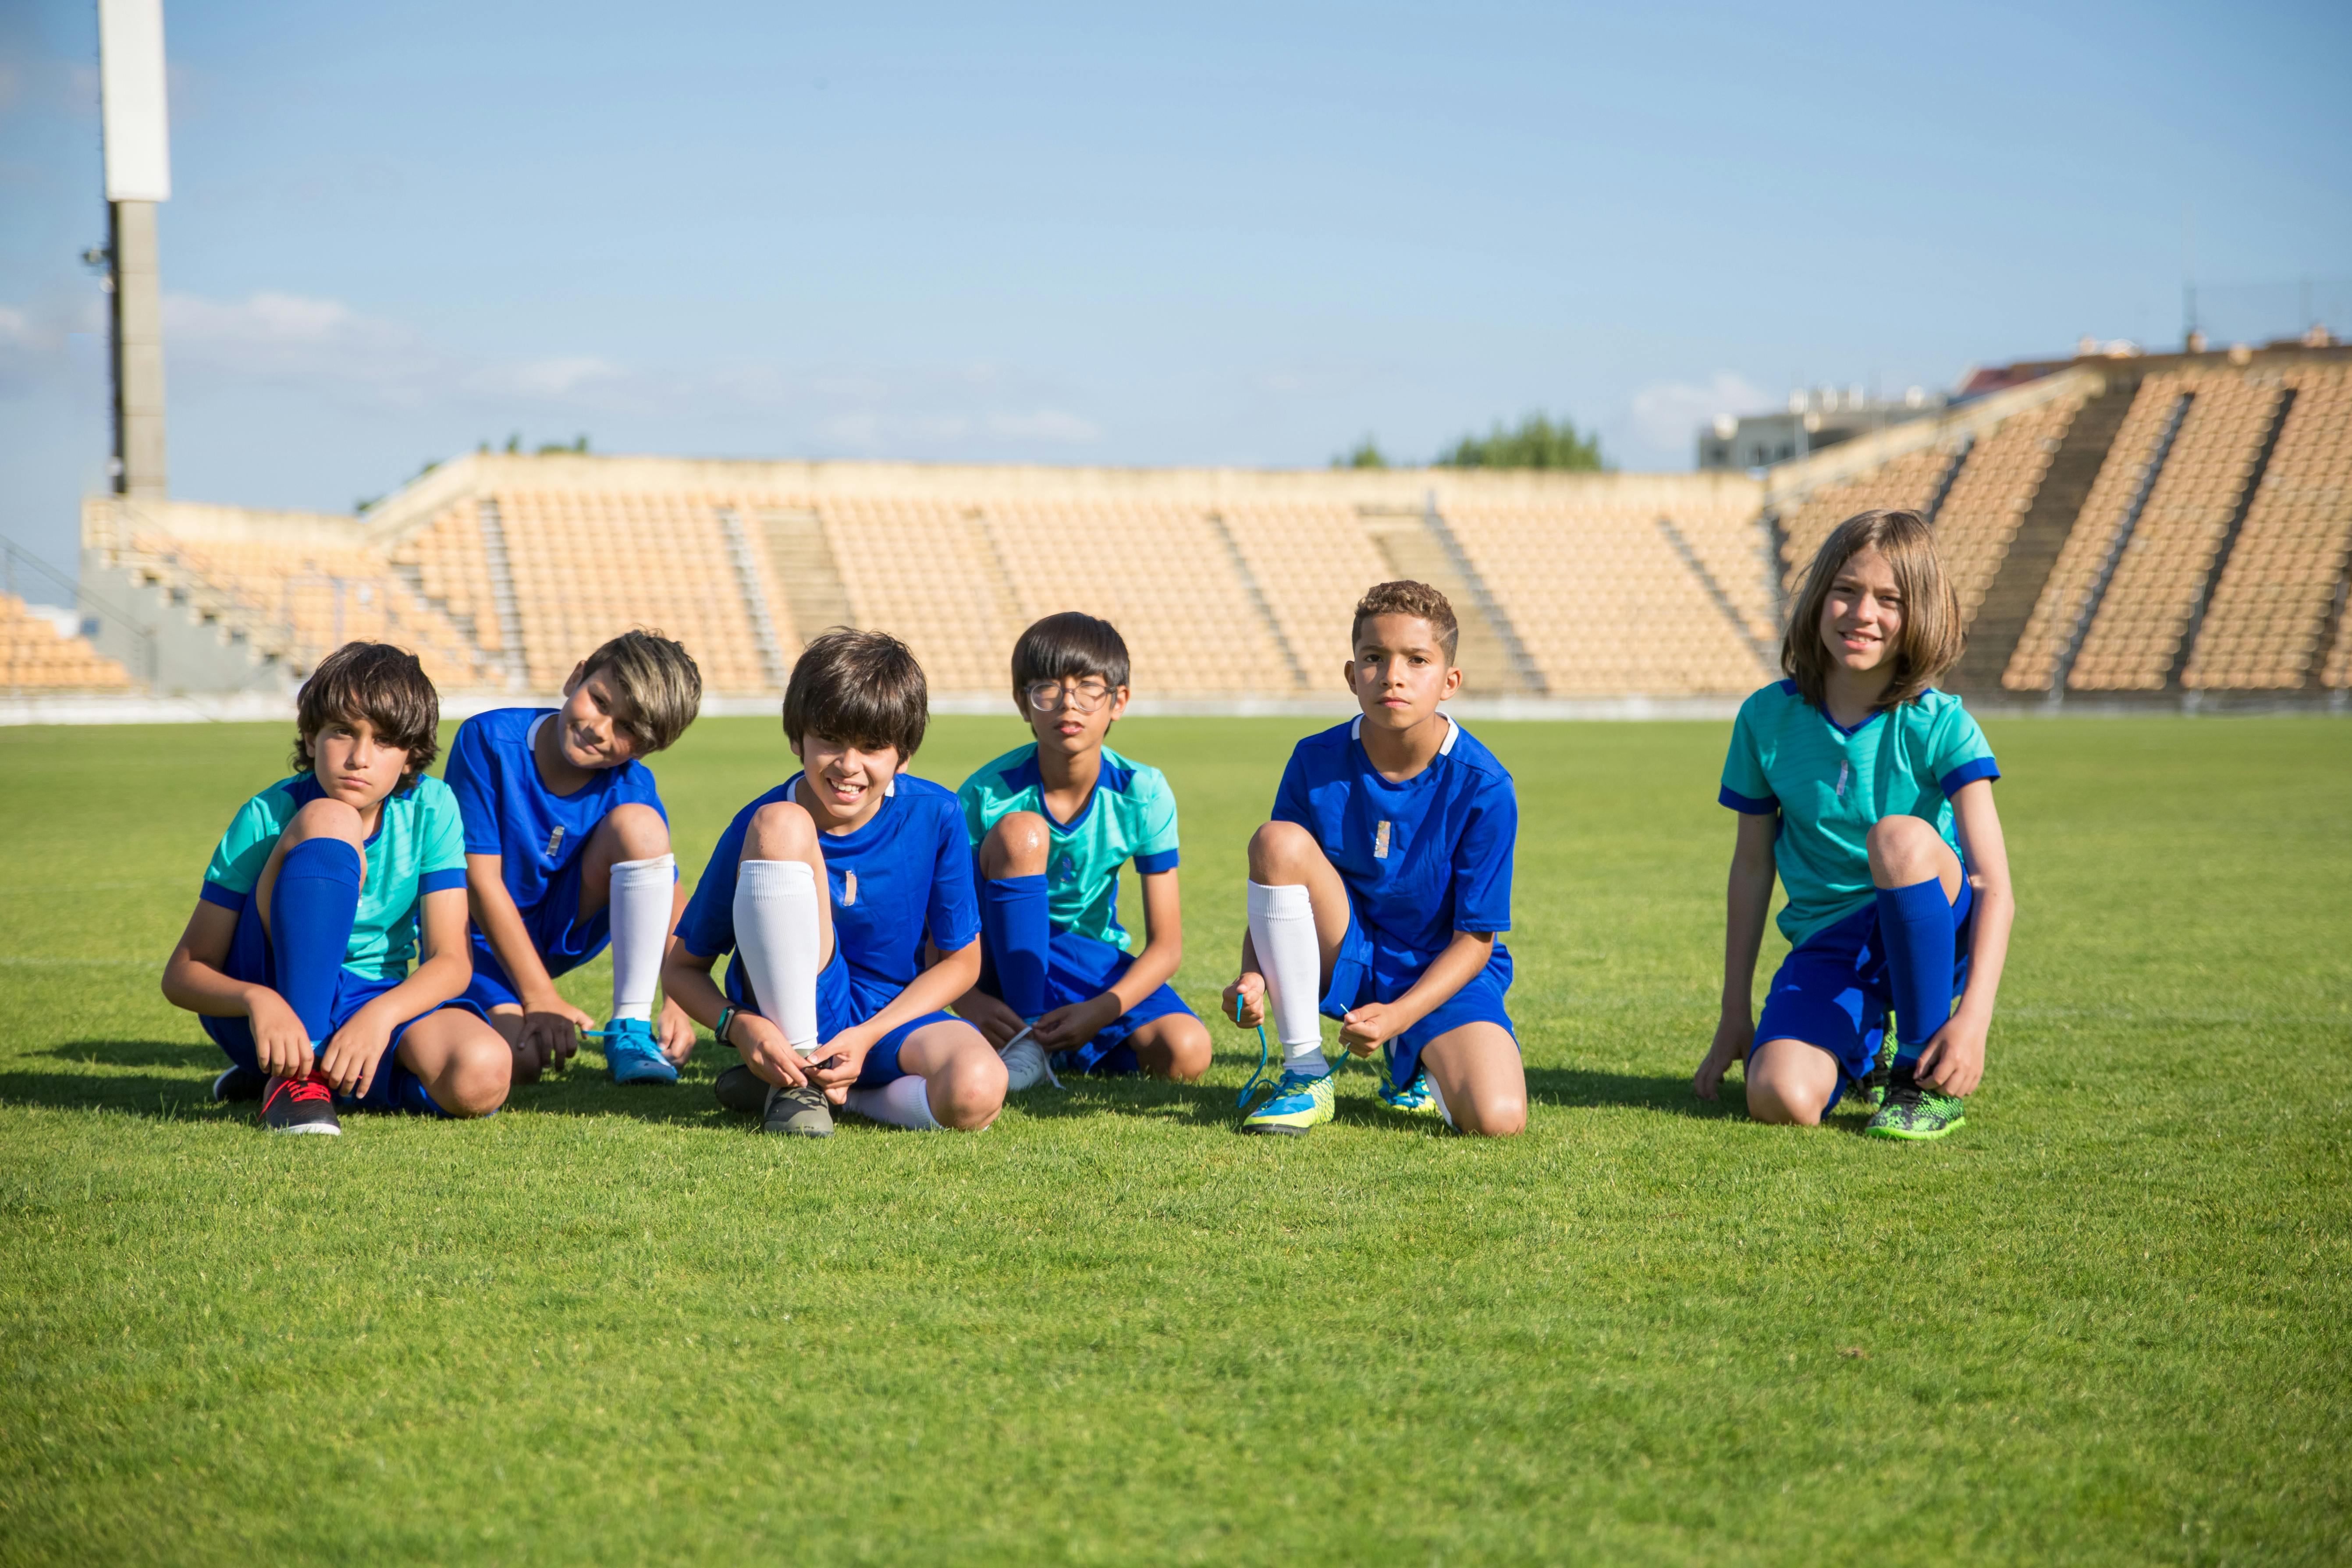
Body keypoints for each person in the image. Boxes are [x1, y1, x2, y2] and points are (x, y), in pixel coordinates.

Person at [1693, 508, 2015, 1140]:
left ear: (1919, 613)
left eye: (1889, 599)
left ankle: (1917, 1079)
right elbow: (1751, 867)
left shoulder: (1940, 723)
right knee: (1777, 1096)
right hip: (1830, 945)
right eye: (1845, 590)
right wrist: (1734, 1010)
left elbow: (1992, 885)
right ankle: (1864, 1047)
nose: (1862, 613)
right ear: (1818, 597)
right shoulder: (1764, 719)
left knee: (1896, 839)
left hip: (1935, 925)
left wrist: (1973, 1020)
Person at [662, 629, 1007, 1137]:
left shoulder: (936, 813)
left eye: (872, 746)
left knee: (977, 1089)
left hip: (888, 1020)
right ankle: (798, 1073)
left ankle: (833, 1093)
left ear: (903, 754)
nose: (849, 764)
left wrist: (867, 1036)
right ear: (796, 738)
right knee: (783, 824)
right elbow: (681, 970)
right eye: (829, 739)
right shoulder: (761, 824)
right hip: (788, 1024)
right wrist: (739, 1026)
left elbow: (961, 961)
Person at [162, 642, 510, 1135]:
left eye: (384, 741)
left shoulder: (433, 808)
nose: (359, 758)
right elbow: (183, 973)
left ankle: (320, 1075)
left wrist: (380, 1017)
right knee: (329, 818)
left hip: (371, 996)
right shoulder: (266, 814)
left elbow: (451, 960)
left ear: (411, 757)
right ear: (310, 737)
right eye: (343, 732)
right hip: (271, 997)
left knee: (484, 1072)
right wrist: (258, 1001)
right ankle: (295, 1077)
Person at [1222, 581, 1525, 1137]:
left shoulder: (1485, 786)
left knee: (1498, 1117)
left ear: (1450, 681)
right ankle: (1304, 1074)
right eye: (1374, 658)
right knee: (1275, 839)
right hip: (1348, 950)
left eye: (1416, 660)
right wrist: (1252, 973)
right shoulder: (1314, 759)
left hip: (1437, 968)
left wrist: (1399, 1015)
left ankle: (1412, 1058)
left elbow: (1475, 941)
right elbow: (1279, 878)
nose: (1392, 675)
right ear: (1351, 674)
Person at [955, 612, 1212, 1089]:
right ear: (1023, 703)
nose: (1068, 703)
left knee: (1187, 1051)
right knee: (1022, 833)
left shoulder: (1143, 792)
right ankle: (1027, 1034)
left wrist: (1099, 1011)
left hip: (1086, 959)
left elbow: (1167, 945)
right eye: (1047, 688)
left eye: (1088, 687)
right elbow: (945, 914)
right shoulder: (985, 794)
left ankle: (1060, 1045)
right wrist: (968, 1000)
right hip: (998, 960)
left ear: (1119, 701)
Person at [443, 630, 702, 1086]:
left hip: (559, 934)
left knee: (640, 826)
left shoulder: (632, 785)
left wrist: (677, 1001)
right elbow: (479, 881)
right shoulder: (488, 740)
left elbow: (668, 890)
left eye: (626, 728)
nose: (599, 728)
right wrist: (540, 996)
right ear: (576, 677)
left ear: (645, 748)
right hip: (476, 940)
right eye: (599, 701)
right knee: (520, 1060)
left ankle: (630, 1026)